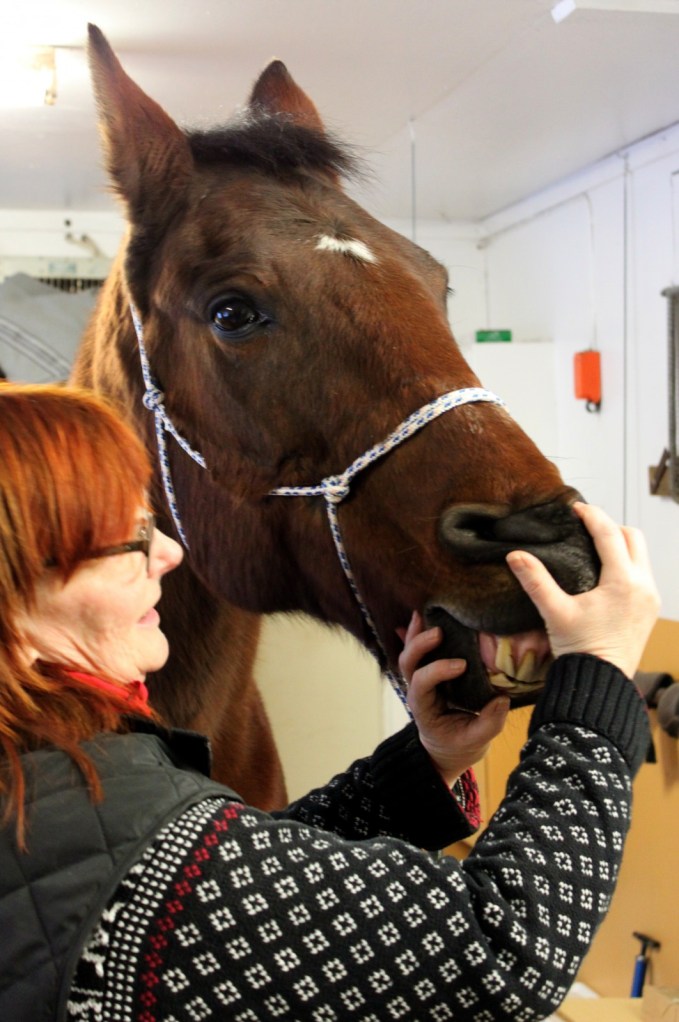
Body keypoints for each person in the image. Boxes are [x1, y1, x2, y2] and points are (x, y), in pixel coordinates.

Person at [0, 384, 659, 1022]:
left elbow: (243, 884)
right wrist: (596, 678)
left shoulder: (46, 789)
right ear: (15, 608)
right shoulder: (96, 842)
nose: (170, 553)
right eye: (131, 539)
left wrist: (424, 765)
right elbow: (503, 946)